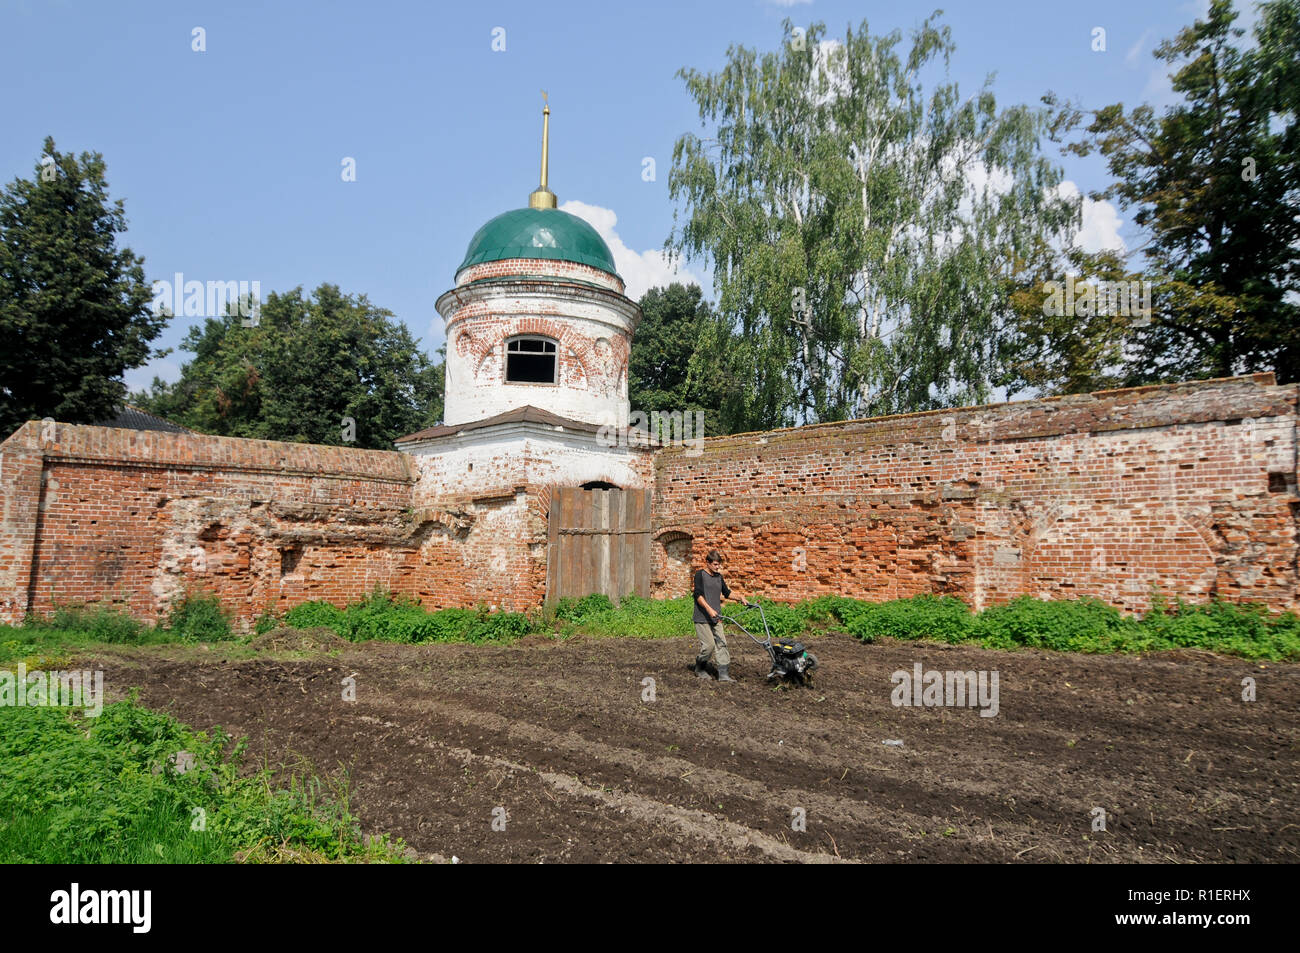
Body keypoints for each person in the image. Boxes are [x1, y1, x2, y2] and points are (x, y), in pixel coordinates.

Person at [692, 550, 748, 682]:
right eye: (715, 565)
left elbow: (727, 593)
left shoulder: (718, 577)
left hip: (716, 617)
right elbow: (698, 595)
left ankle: (723, 674)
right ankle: (699, 668)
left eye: (719, 565)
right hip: (702, 617)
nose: (718, 567)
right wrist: (709, 609)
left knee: (722, 643)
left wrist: (740, 597)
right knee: (709, 646)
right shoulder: (700, 575)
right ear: (708, 563)